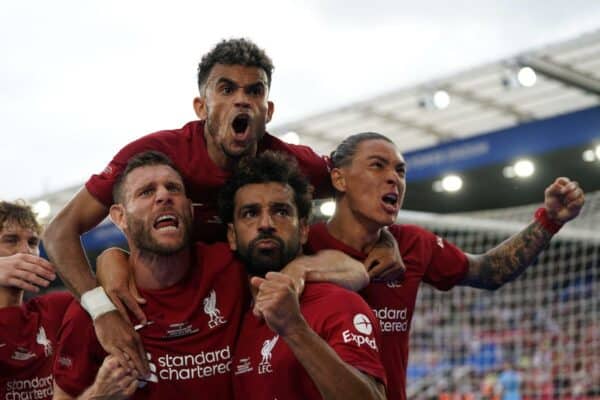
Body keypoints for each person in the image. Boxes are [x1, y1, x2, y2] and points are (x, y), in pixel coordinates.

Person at [43, 38, 401, 376]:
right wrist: (102, 307)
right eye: (226, 89)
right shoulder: (158, 155)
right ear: (202, 107)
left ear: (268, 110)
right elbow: (59, 231)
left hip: (256, 302)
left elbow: (357, 184)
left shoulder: (291, 162)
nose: (241, 100)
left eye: (254, 90)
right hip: (184, 304)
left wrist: (382, 234)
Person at [53, 151, 369, 399]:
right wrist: (97, 397)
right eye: (147, 192)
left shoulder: (228, 268)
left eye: (173, 189)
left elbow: (354, 269)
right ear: (119, 217)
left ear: (190, 210)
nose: (163, 196)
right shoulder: (95, 314)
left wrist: (299, 269)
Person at [304, 132, 585, 400]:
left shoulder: (414, 244)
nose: (393, 178)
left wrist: (549, 220)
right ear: (339, 178)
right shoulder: (301, 245)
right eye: (377, 166)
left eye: (401, 171)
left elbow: (490, 271)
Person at [219, 151, 387, 399]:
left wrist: (294, 329)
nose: (266, 223)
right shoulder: (241, 318)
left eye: (281, 211)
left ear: (305, 230)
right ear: (232, 236)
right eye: (250, 213)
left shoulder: (338, 304)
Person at [0, 201, 73, 400]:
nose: (26, 251)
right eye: (11, 240)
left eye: (33, 242)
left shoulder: (55, 309)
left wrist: (111, 257)